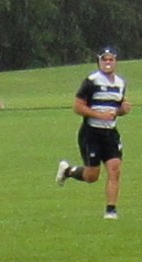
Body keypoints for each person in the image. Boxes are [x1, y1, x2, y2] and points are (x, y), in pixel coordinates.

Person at [55, 46, 132, 220]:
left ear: (116, 62)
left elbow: (115, 109)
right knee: (92, 176)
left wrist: (122, 111)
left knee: (114, 169)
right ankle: (68, 171)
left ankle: (111, 210)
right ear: (99, 62)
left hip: (110, 133)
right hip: (91, 132)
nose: (107, 62)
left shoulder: (120, 83)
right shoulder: (92, 81)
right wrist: (99, 115)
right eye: (104, 59)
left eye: (110, 59)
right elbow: (78, 106)